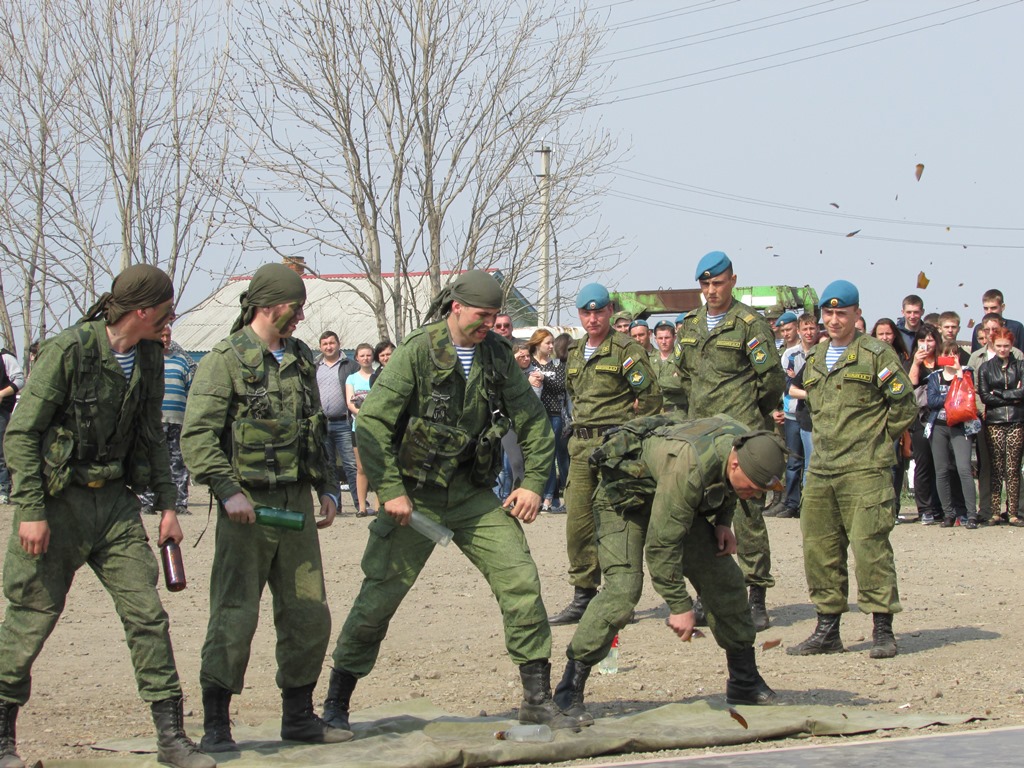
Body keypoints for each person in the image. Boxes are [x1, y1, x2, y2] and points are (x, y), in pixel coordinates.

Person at [321, 269, 576, 733]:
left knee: (519, 578)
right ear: (456, 307)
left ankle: (537, 699)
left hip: (471, 495)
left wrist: (535, 483)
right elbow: (374, 423)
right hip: (415, 497)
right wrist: (391, 490)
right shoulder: (418, 350)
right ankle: (337, 702)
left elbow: (534, 423)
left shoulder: (497, 354)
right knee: (379, 595)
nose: (489, 325)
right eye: (482, 316)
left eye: (495, 317)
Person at [0, 264, 213, 768]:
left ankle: (171, 738)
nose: (171, 319)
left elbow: (151, 437)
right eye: (166, 310)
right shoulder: (69, 351)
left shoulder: (150, 358)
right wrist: (30, 509)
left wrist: (166, 507)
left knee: (147, 615)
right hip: (58, 503)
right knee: (31, 617)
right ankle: (3, 742)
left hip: (115, 505)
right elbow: (22, 433)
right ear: (141, 311)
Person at [180, 263, 347, 752]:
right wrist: (227, 491)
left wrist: (328, 487)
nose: (300, 317)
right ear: (269, 305)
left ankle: (298, 715)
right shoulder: (224, 359)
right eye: (295, 307)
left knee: (308, 614)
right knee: (234, 616)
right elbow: (198, 437)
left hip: (294, 505)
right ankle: (217, 724)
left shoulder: (299, 356)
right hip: (246, 508)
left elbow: (314, 427)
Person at [551, 416, 785, 723]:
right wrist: (679, 604)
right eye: (753, 489)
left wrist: (724, 523)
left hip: (669, 497)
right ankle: (568, 691)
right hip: (623, 500)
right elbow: (662, 546)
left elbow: (726, 487)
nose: (755, 496)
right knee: (623, 590)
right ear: (736, 465)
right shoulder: (688, 467)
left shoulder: (743, 441)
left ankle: (744, 681)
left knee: (725, 580)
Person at [787, 280, 916, 659]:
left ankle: (882, 629)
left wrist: (876, 440)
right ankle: (828, 629)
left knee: (870, 548)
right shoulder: (814, 358)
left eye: (841, 313)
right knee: (819, 549)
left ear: (857, 315)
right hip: (823, 469)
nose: (833, 320)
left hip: (865, 469)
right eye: (828, 314)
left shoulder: (876, 355)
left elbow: (904, 406)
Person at [675, 251, 784, 632]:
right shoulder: (690, 324)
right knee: (704, 517)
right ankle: (709, 593)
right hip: (703, 437)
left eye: (717, 283)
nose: (711, 291)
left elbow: (771, 381)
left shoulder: (750, 325)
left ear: (733, 281)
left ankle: (756, 597)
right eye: (704, 285)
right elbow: (685, 376)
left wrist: (754, 419)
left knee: (747, 516)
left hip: (741, 435)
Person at [548, 284, 661, 625]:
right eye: (586, 313)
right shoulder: (576, 351)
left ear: (610, 311)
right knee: (578, 524)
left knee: (617, 524)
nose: (593, 318)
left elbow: (651, 396)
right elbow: (573, 395)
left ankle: (619, 598)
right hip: (581, 449)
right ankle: (583, 595)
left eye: (599, 312)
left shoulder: (626, 349)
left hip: (615, 449)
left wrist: (633, 439)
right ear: (579, 315)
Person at [138, 324, 197, 516]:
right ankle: (148, 502)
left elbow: (190, 390)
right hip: (153, 422)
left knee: (178, 462)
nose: (165, 339)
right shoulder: (146, 360)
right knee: (151, 460)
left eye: (168, 335)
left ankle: (179, 502)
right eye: (162, 335)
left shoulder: (181, 361)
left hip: (177, 421)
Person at [924, 341, 978, 528]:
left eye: (954, 354)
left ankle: (971, 515)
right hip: (938, 425)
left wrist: (959, 375)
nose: (951, 357)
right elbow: (932, 401)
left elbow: (967, 397)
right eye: (947, 354)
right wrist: (952, 398)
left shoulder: (966, 373)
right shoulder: (934, 377)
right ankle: (948, 514)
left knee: (964, 468)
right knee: (941, 470)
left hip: (960, 426)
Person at [766, 311, 812, 519]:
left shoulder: (819, 352)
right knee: (793, 462)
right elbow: (785, 385)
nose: (786, 333)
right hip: (792, 413)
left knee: (811, 462)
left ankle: (808, 503)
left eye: (789, 329)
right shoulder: (789, 355)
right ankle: (791, 503)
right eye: (782, 330)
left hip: (812, 415)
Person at [977, 328, 1024, 526]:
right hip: (994, 422)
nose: (1003, 349)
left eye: (1006, 345)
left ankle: (1012, 512)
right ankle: (994, 512)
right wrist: (1012, 394)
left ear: (1012, 345)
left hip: (1016, 420)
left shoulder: (1021, 365)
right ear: (992, 345)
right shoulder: (986, 368)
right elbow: (984, 395)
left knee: (1013, 468)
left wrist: (1001, 394)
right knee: (996, 467)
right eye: (999, 346)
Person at [872, 318, 912, 516]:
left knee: (895, 465)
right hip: (873, 421)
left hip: (895, 421)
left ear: (894, 335)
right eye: (881, 334)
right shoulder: (869, 357)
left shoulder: (903, 358)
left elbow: (905, 394)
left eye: (888, 334)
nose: (885, 338)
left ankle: (893, 508)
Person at [316, 331, 360, 510]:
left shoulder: (350, 365)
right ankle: (336, 505)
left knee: (351, 464)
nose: (329, 346)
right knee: (329, 465)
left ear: (338, 344)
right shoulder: (315, 366)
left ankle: (359, 504)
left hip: (343, 422)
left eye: (331, 343)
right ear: (320, 347)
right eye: (325, 344)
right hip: (322, 424)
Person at [905, 324, 943, 525]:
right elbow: (910, 386)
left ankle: (941, 507)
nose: (926, 344)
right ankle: (925, 509)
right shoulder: (912, 362)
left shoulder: (943, 360)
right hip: (921, 419)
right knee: (923, 464)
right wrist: (916, 364)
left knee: (943, 464)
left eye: (930, 340)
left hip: (944, 419)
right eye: (922, 340)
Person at [528, 329, 569, 512]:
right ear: (537, 344)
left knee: (555, 456)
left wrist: (545, 379)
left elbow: (562, 386)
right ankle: (542, 496)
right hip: (535, 416)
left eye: (553, 343)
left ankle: (554, 497)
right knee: (540, 456)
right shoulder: (529, 363)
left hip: (554, 415)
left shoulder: (557, 365)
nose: (552, 346)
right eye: (548, 343)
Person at [346, 343, 377, 517]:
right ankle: (362, 507)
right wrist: (362, 415)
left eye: (368, 355)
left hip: (377, 427)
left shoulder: (379, 376)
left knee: (379, 465)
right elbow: (350, 403)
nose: (366, 358)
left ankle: (380, 506)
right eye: (362, 355)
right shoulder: (352, 379)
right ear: (356, 358)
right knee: (361, 467)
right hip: (358, 427)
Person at [0, 346, 26, 505]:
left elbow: (19, 380)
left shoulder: (5, 358)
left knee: (1, 453)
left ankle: (3, 490)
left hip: (1, 413)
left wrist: (2, 394)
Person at [970, 289, 1024, 353]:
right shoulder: (978, 328)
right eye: (986, 308)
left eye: (993, 308)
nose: (989, 312)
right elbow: (975, 356)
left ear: (1002, 307)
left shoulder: (1016, 327)